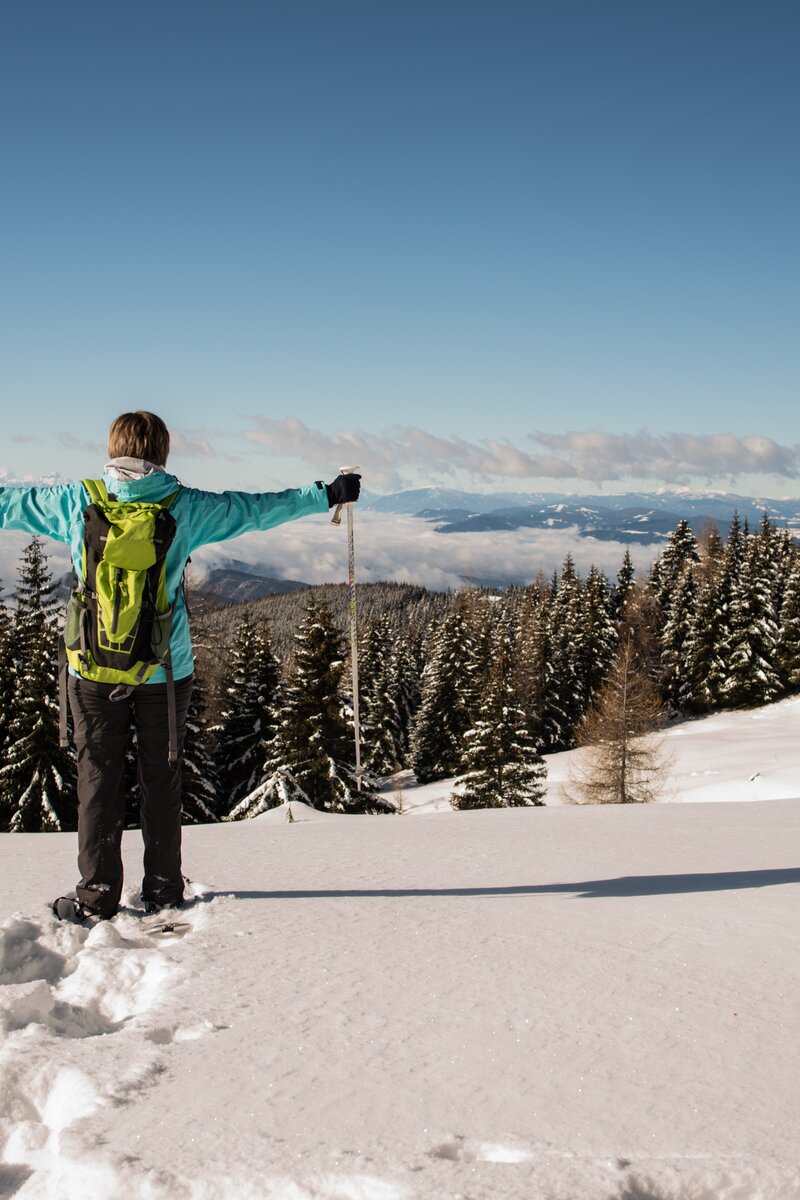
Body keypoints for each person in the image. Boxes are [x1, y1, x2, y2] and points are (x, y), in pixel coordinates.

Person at [0, 411, 360, 919]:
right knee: (161, 779)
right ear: (162, 453)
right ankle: (164, 889)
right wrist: (328, 491)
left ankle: (97, 896)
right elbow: (256, 510)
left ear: (112, 450)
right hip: (166, 673)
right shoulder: (184, 506)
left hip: (93, 674)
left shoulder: (73, 501)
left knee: (97, 782)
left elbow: (5, 505)